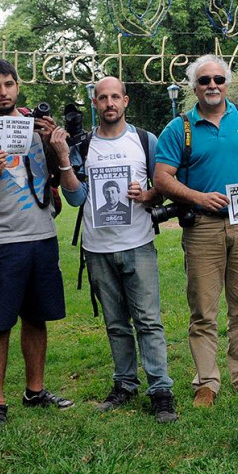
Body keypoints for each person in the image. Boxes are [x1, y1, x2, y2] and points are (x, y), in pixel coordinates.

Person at [155, 54, 238, 406]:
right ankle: (206, 382)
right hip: (203, 228)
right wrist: (197, 197)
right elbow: (162, 177)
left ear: (227, 83)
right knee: (203, 311)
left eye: (218, 80)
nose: (212, 86)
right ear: (194, 87)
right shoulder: (180, 127)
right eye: (204, 80)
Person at [53, 76, 178, 423]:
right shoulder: (84, 145)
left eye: (115, 97)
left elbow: (164, 185)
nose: (109, 103)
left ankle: (161, 391)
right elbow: (76, 197)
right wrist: (64, 158)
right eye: (102, 98)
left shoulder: (144, 140)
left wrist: (149, 194)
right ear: (95, 103)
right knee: (116, 324)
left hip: (138, 244)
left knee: (149, 321)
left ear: (125, 101)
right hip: (98, 247)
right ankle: (124, 384)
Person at [0, 59, 73, 429]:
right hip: (0, 239)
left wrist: (53, 143)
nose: (4, 92)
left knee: (36, 317)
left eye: (9, 84)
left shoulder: (34, 126)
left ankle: (35, 390)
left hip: (41, 233)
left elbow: (56, 179)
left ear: (18, 86)